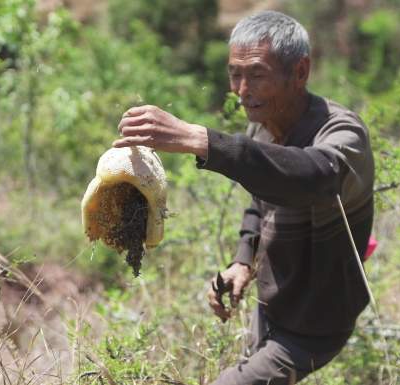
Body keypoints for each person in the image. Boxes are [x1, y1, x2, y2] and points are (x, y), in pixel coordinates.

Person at [115, 10, 375, 385]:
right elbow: (261, 198)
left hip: (316, 321)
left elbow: (312, 177)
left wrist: (202, 140)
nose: (241, 90)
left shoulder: (342, 131)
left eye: (256, 74)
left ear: (300, 72)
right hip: (272, 310)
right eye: (234, 73)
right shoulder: (261, 127)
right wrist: (242, 261)